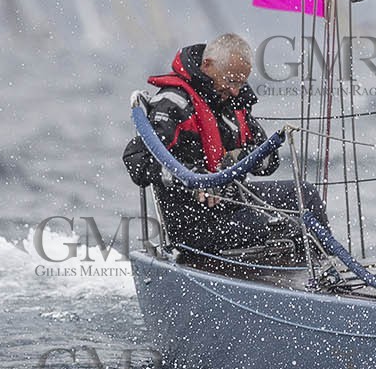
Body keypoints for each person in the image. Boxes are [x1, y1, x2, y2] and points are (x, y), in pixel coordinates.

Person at [123, 34, 323, 258]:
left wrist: (242, 157)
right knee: (291, 227)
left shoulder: (233, 102)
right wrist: (194, 178)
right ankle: (301, 279)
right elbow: (137, 160)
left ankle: (326, 270)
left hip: (235, 203)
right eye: (231, 81)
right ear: (207, 65)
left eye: (240, 82)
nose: (236, 90)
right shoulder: (173, 103)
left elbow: (270, 160)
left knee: (305, 194)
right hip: (194, 221)